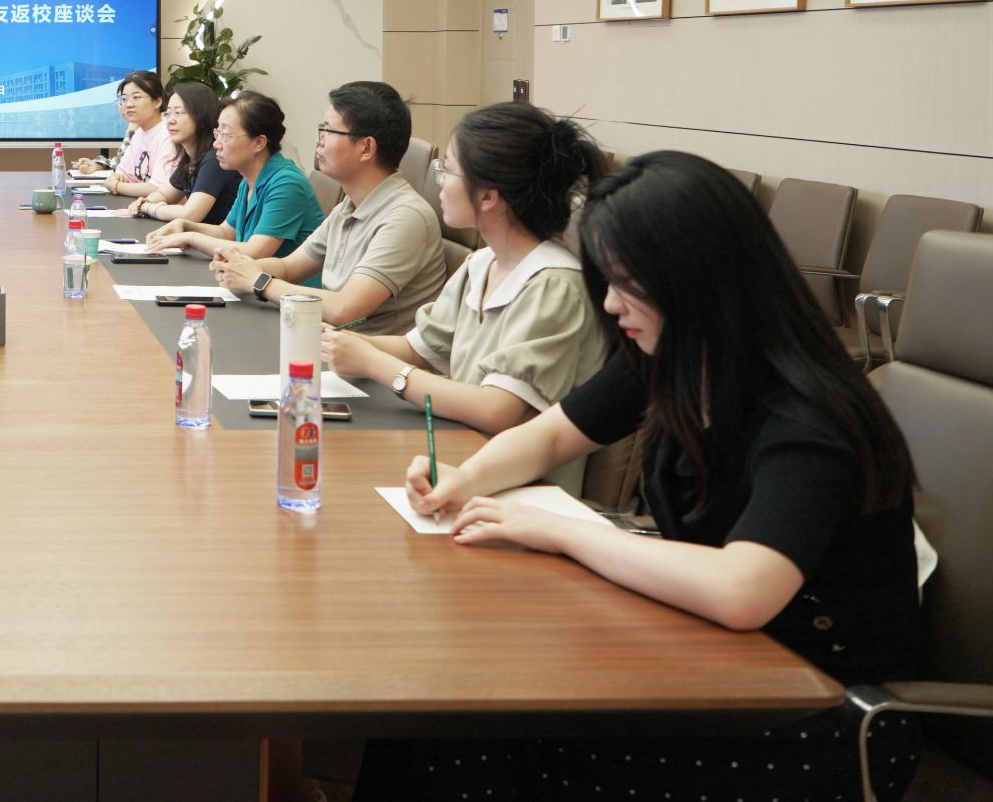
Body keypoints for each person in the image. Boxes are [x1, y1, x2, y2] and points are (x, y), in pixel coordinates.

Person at [355, 152, 921, 801]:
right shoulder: (677, 353)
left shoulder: (809, 415)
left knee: (470, 729)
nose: (609, 302)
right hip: (712, 654)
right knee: (439, 703)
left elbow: (743, 589)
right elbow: (553, 433)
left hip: (814, 713)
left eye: (626, 282)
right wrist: (466, 479)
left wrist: (561, 532)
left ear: (698, 277)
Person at [316, 104, 607, 481]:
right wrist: (338, 342)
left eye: (447, 169)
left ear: (487, 196)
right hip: (462, 461)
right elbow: (419, 348)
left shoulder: (554, 285)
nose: (438, 181)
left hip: (520, 490)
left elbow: (496, 409)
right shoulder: (481, 263)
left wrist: (373, 363)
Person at [210, 82, 445, 337]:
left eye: (328, 131)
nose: (318, 141)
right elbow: (289, 267)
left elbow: (344, 308)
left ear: (366, 148)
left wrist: (257, 281)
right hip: (328, 341)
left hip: (365, 354)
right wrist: (241, 267)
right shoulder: (349, 206)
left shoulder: (405, 217)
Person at [144, 91, 322, 259]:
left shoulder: (287, 183)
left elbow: (254, 252)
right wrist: (185, 226)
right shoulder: (249, 178)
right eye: (217, 133)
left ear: (259, 143)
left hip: (285, 281)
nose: (216, 144)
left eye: (225, 135)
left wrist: (190, 238)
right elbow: (226, 232)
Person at [117, 81, 240, 225]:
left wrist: (149, 208)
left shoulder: (215, 158)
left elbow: (189, 215)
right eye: (168, 113)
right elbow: (164, 194)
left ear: (201, 117)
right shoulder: (190, 157)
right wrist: (145, 202)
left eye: (178, 113)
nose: (170, 120)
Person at [96, 72, 176, 199]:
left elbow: (158, 188)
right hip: (137, 204)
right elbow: (120, 173)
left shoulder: (169, 133)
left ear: (157, 101)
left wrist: (116, 186)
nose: (128, 104)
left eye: (136, 97)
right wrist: (117, 181)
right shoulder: (139, 133)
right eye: (124, 99)